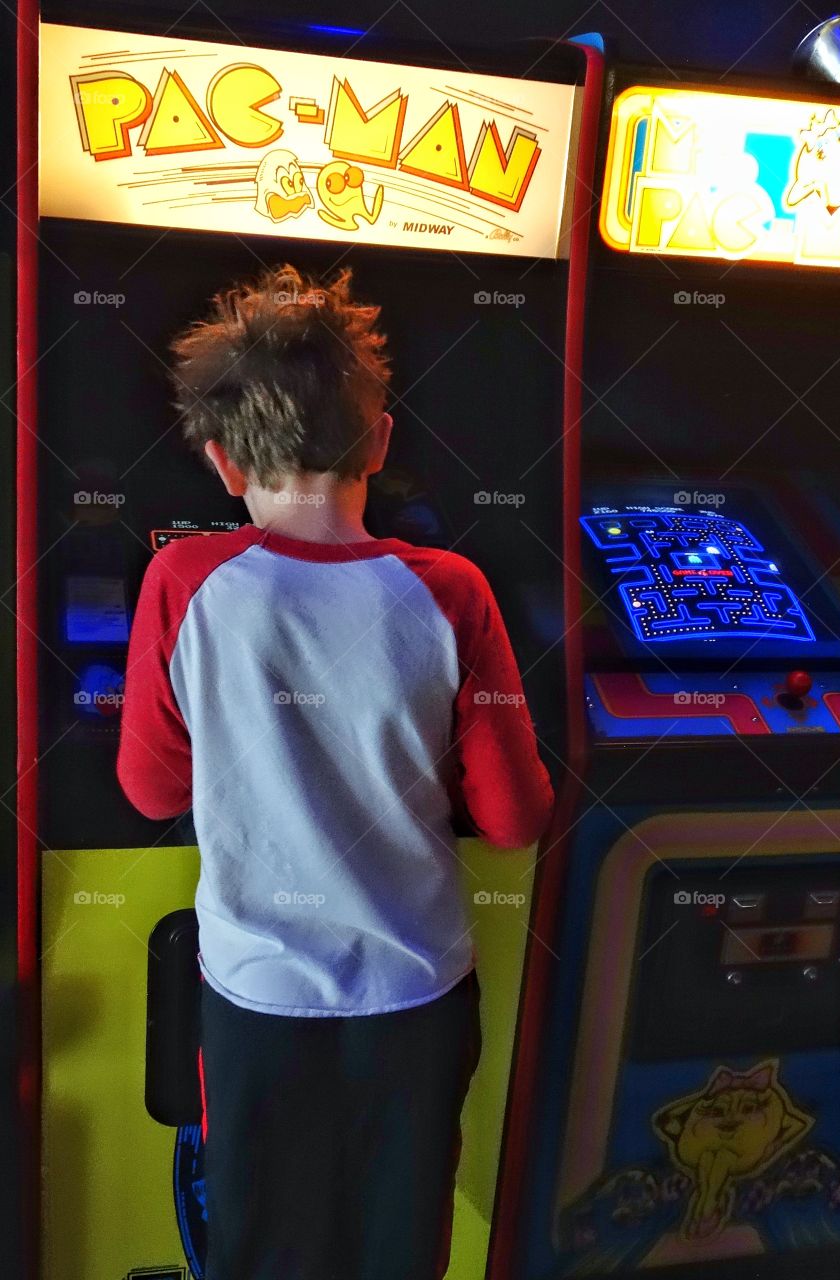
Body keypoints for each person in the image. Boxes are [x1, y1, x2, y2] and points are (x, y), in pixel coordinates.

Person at [116, 264, 554, 1280]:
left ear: (224, 463)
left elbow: (150, 788)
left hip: (256, 999)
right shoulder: (454, 591)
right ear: (381, 440)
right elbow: (517, 813)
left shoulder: (184, 580)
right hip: (415, 992)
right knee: (400, 1245)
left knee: (266, 1247)